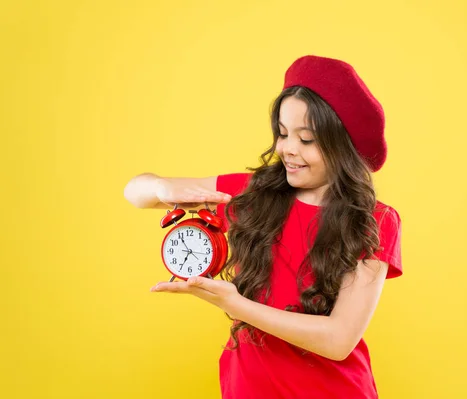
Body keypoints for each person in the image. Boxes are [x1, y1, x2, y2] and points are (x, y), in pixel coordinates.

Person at [124, 55, 403, 399]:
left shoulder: (375, 220)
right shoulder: (252, 194)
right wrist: (162, 190)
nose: (287, 149)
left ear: (341, 144)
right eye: (283, 134)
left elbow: (338, 340)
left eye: (306, 139)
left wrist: (236, 304)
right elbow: (134, 192)